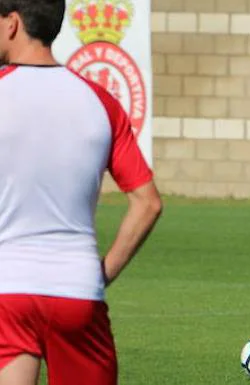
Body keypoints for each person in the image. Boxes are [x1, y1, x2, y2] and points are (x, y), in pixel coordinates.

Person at [0, 1, 162, 385]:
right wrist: (101, 273)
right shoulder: (99, 101)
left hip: (7, 287)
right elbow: (147, 202)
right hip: (76, 287)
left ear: (13, 24)